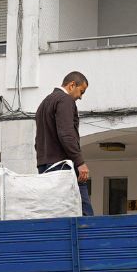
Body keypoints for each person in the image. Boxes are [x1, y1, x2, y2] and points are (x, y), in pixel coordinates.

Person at [35, 71, 93, 216]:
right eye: (81, 91)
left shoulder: (44, 103)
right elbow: (67, 134)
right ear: (72, 85)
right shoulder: (65, 100)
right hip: (63, 166)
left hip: (44, 166)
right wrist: (80, 162)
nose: (80, 97)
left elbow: (39, 141)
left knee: (55, 213)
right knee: (85, 213)